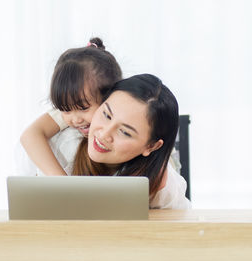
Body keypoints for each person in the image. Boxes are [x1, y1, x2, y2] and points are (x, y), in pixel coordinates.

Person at [72, 74, 191, 209]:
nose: (104, 134)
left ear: (151, 146)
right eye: (106, 115)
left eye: (124, 132)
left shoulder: (161, 189)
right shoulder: (68, 135)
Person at [19, 37, 122, 176]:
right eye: (65, 109)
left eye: (84, 108)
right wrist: (62, 182)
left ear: (111, 96)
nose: (75, 119)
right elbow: (30, 135)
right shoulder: (74, 113)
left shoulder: (125, 112)